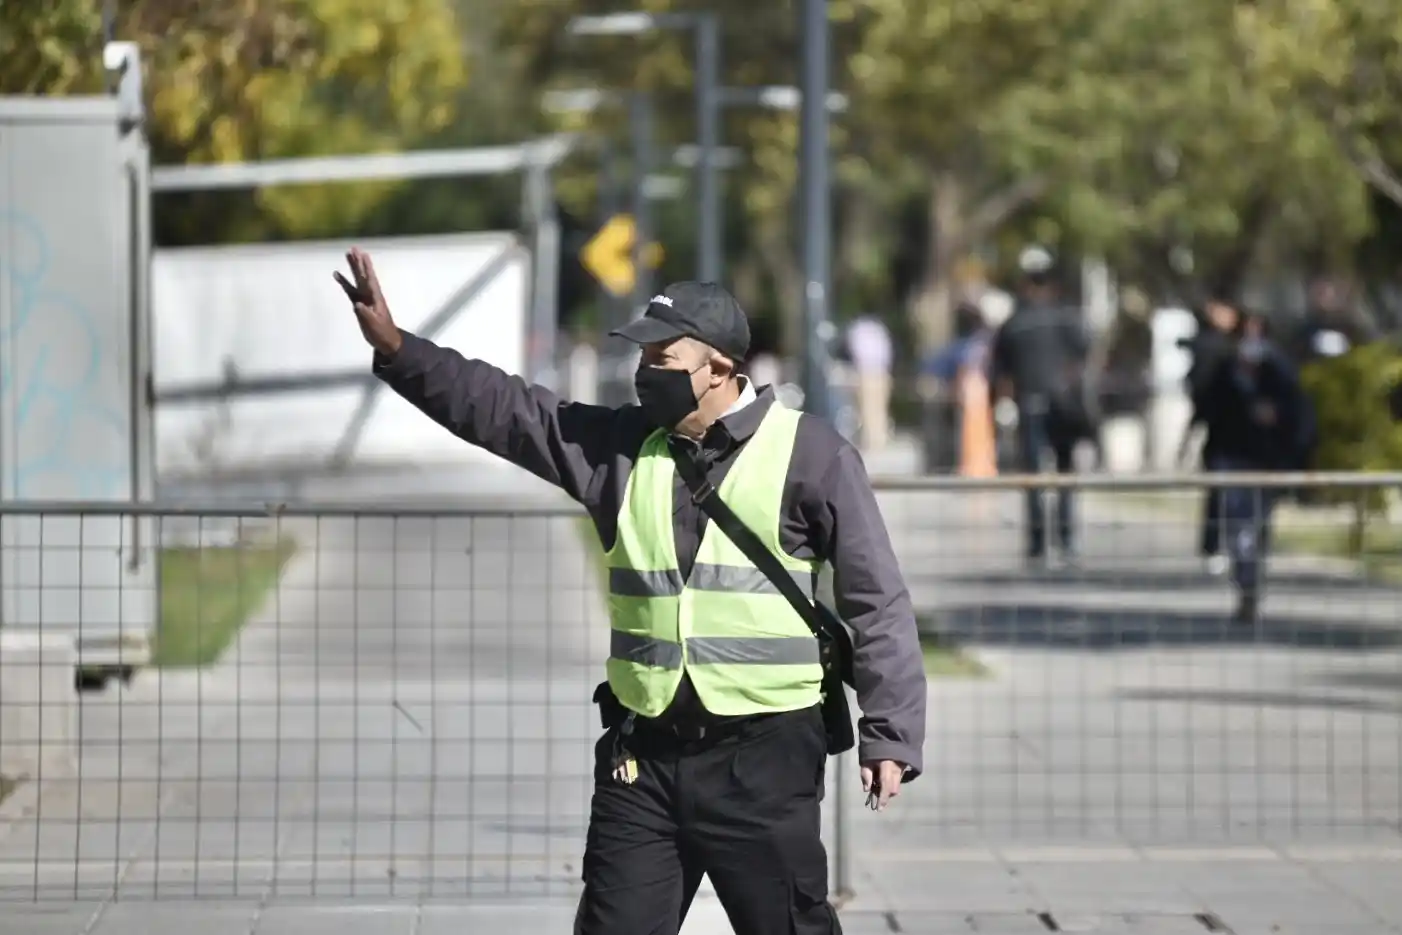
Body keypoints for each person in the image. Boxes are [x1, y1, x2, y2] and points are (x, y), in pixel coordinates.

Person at [333, 249, 928, 935]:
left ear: (721, 370)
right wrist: (401, 351)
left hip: (764, 760)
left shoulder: (813, 456)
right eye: (641, 358)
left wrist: (891, 732)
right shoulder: (620, 449)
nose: (644, 374)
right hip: (643, 761)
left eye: (662, 360)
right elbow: (505, 410)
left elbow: (876, 597)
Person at [1196, 312, 1316, 624]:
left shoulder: (1280, 373)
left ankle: (1252, 581)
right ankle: (1246, 586)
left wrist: (1278, 420)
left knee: (1258, 526)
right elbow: (1206, 409)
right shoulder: (1224, 372)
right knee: (1240, 525)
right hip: (1232, 459)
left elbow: (1300, 417)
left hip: (1266, 462)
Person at [989, 246, 1092, 565]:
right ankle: (1066, 538)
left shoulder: (1013, 323)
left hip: (1030, 404)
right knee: (1064, 474)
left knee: (1033, 475)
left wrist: (1000, 404)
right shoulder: (1067, 318)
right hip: (1062, 405)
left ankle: (1036, 543)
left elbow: (1000, 370)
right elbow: (1082, 356)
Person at [1181, 296, 1243, 576]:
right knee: (1219, 489)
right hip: (1218, 427)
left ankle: (1232, 543)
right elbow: (1199, 387)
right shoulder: (1209, 346)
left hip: (1237, 428)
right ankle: (1214, 545)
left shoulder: (1237, 345)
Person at [845, 314, 895, 453]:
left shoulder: (858, 330)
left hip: (865, 371)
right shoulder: (878, 331)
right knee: (879, 408)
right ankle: (878, 440)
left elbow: (855, 352)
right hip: (881, 371)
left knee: (868, 409)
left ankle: (872, 441)